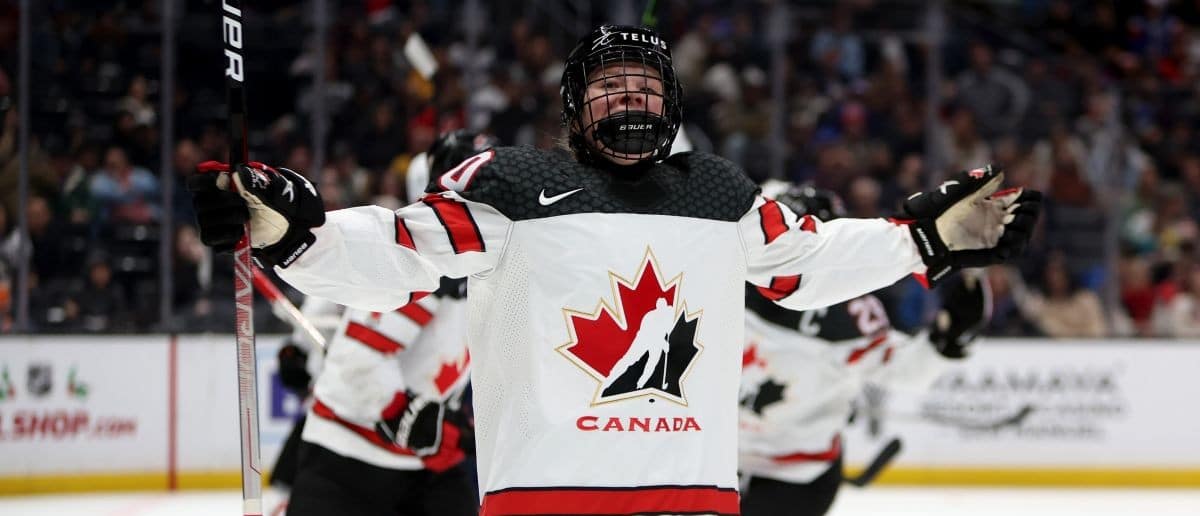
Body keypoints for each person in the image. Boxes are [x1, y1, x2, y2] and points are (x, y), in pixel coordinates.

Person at [188, 24, 1040, 515]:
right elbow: (397, 254)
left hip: (693, 503)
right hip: (547, 504)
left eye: (644, 89)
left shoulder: (718, 192)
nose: (630, 101)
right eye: (610, 88)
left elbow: (808, 263)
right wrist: (293, 232)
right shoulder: (513, 187)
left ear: (672, 106)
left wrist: (924, 241)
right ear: (574, 106)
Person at [736, 183, 992, 516]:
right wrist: (947, 342)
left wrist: (946, 342)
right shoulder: (725, 278)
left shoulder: (851, 315)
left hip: (795, 475)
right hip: (713, 457)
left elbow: (903, 369)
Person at [279, 130, 496, 516]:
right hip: (347, 459)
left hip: (417, 463)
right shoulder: (426, 260)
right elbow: (361, 361)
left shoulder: (484, 266)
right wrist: (407, 413)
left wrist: (448, 423)